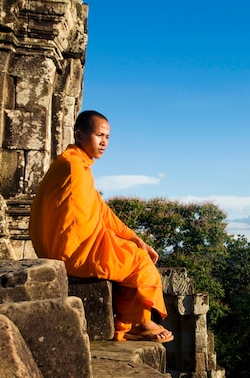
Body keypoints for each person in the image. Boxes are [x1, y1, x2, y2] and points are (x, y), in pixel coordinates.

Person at [29, 110, 173, 343]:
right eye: (99, 135)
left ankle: (130, 321)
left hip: (64, 246)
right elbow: (83, 220)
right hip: (71, 251)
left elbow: (100, 211)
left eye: (107, 137)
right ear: (79, 134)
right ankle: (139, 324)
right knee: (140, 261)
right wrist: (130, 244)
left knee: (132, 250)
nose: (104, 142)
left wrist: (136, 238)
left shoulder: (75, 164)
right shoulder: (72, 167)